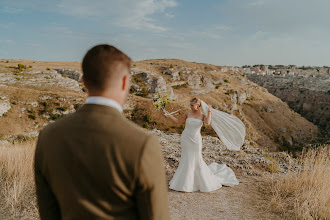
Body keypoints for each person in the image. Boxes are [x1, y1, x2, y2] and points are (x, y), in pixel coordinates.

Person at [34, 44, 170, 220]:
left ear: (83, 81)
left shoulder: (48, 136)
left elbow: (48, 212)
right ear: (124, 81)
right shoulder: (143, 143)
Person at [164, 97, 239, 192]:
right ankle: (184, 182)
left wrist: (210, 112)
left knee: (197, 158)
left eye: (192, 105)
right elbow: (178, 122)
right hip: (186, 138)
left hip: (196, 140)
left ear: (198, 105)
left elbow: (207, 123)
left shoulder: (203, 115)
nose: (190, 107)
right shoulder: (187, 113)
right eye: (190, 105)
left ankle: (199, 181)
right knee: (186, 158)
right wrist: (168, 115)